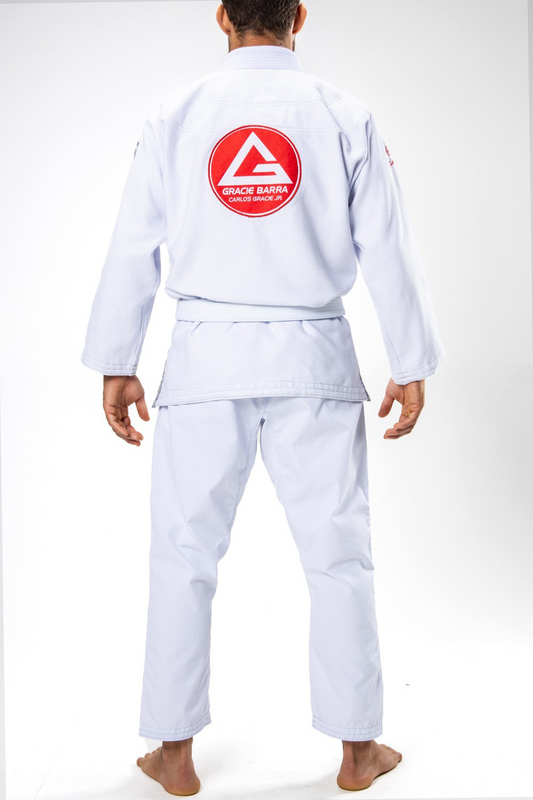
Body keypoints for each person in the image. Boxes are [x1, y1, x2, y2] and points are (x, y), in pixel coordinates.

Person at [80, 0, 445, 794]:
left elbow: (134, 243)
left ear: (221, 17)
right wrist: (410, 360)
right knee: (338, 558)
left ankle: (174, 754)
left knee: (183, 557)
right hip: (313, 355)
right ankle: (358, 751)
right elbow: (387, 243)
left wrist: (117, 359)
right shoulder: (342, 115)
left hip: (205, 358)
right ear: (298, 17)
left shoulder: (174, 116)